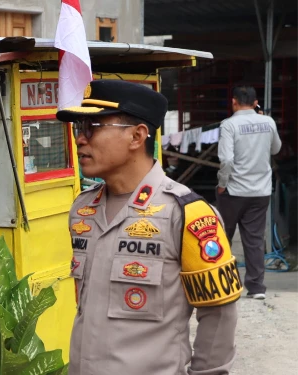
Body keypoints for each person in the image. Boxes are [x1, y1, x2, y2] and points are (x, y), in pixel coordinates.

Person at [57, 80, 241, 375]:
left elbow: (218, 314)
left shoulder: (187, 213)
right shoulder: (83, 209)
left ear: (137, 136)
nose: (80, 139)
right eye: (79, 128)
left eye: (93, 126)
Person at [217, 86, 282, 300]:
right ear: (256, 103)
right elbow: (276, 149)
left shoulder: (229, 125)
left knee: (222, 236)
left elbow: (226, 160)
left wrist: (222, 184)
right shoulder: (269, 122)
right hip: (260, 190)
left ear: (233, 101)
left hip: (234, 190)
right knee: (254, 239)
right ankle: (256, 288)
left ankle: (224, 285)